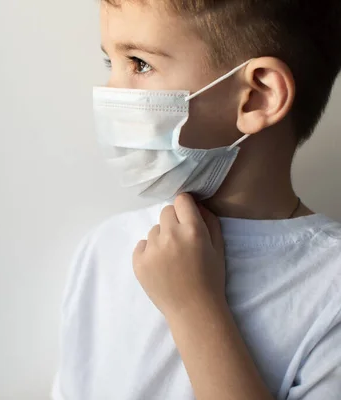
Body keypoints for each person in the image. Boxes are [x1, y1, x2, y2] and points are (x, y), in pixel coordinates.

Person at [52, 1, 341, 399]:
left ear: (258, 96)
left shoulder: (331, 290)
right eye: (110, 62)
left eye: (138, 64)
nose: (111, 92)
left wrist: (194, 309)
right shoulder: (104, 250)